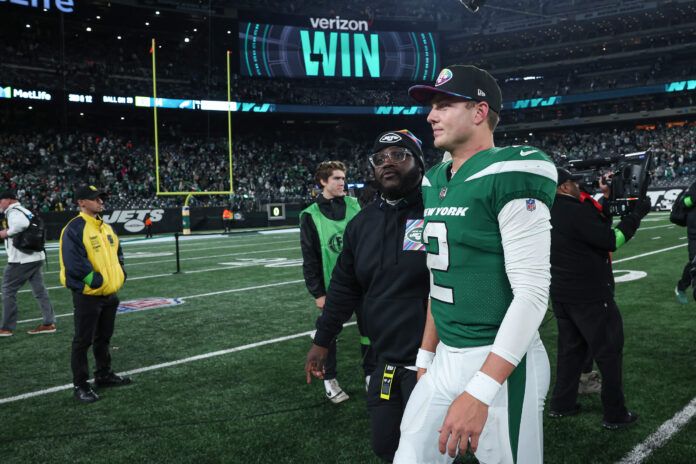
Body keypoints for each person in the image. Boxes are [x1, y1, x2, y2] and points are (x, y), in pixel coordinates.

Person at [394, 65, 558, 464]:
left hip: (501, 360)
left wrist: (481, 390)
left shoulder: (513, 170)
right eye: (432, 107)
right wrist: (426, 357)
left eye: (444, 105)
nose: (431, 116)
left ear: (479, 112)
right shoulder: (433, 180)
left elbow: (533, 294)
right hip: (446, 354)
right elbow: (438, 277)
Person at [305, 130, 430, 462]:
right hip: (386, 362)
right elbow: (345, 288)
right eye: (380, 159)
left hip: (432, 364)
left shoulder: (440, 212)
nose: (388, 163)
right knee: (386, 445)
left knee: (430, 451)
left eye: (398, 155)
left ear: (419, 163)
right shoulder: (361, 224)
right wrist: (322, 339)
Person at [548, 168, 650, 429]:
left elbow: (593, 223)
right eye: (573, 183)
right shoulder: (574, 210)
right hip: (590, 295)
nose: (578, 187)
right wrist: (636, 216)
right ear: (563, 187)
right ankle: (615, 414)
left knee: (570, 353)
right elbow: (610, 239)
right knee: (609, 352)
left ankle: (562, 404)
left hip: (561, 294)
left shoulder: (546, 209)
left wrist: (605, 197)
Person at [299, 161, 367, 403]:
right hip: (333, 287)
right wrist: (318, 293)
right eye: (336, 178)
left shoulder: (355, 204)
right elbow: (310, 258)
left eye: (343, 178)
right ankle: (330, 380)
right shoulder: (310, 215)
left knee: (369, 330)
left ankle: (371, 373)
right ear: (323, 182)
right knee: (329, 336)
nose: (342, 183)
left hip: (363, 282)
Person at [59, 185, 131, 403]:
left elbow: (118, 253)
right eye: (95, 198)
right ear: (81, 202)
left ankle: (103, 375)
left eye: (101, 198)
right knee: (83, 341)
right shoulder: (74, 228)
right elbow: (74, 264)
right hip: (88, 295)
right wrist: (95, 282)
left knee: (103, 338)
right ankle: (80, 385)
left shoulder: (107, 228)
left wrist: (120, 274)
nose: (101, 201)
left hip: (110, 294)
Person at [0, 191, 56, 337]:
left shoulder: (13, 212)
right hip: (35, 256)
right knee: (40, 290)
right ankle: (48, 323)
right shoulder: (23, 210)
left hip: (22, 259)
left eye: (1, 200)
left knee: (7, 290)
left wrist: (5, 233)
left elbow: (20, 225)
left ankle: (6, 327)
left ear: (9, 200)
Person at [674, 180, 696, 304]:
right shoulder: (694, 186)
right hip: (694, 230)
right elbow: (685, 203)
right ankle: (681, 287)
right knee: (694, 262)